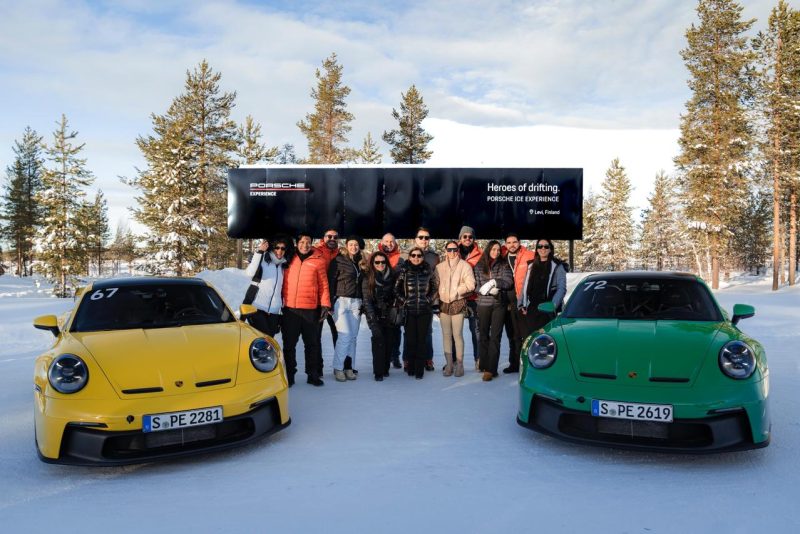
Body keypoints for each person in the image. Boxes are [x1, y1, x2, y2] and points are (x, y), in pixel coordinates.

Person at [282, 232, 331, 387]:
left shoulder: (318, 260)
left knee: (311, 344)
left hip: (310, 309)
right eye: (302, 242)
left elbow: (323, 284)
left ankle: (313, 374)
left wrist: (325, 305)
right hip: (290, 310)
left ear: (312, 243)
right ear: (297, 243)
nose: (305, 245)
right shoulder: (288, 258)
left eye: (308, 242)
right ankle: (290, 374)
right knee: (289, 345)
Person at [395, 246, 439, 379]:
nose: (416, 258)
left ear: (422, 257)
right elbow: (396, 289)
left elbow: (435, 288)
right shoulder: (404, 270)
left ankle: (420, 369)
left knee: (422, 340)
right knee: (411, 340)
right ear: (409, 257)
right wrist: (405, 301)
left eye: (419, 256)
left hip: (425, 311)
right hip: (409, 311)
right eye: (413, 255)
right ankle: (411, 367)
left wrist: (428, 299)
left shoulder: (428, 270)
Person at [473, 240, 514, 381]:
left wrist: (495, 283)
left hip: (498, 304)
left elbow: (508, 282)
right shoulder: (479, 266)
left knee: (495, 336)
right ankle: (484, 364)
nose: (496, 252)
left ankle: (491, 369)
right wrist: (484, 291)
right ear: (488, 250)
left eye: (498, 249)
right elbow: (475, 286)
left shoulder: (504, 265)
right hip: (483, 304)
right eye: (493, 249)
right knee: (483, 334)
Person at [435, 240, 476, 377]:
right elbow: (435, 285)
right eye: (449, 249)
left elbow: (471, 284)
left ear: (458, 250)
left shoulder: (465, 266)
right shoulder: (439, 267)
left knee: (457, 335)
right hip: (443, 304)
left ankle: (460, 364)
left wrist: (457, 291)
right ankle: (449, 364)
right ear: (445, 251)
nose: (452, 252)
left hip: (457, 303)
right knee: (446, 335)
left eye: (455, 249)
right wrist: (437, 299)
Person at [328, 236, 366, 382]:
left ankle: (349, 367)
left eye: (356, 244)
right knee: (345, 335)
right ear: (346, 245)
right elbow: (331, 281)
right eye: (351, 244)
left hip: (356, 302)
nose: (354, 247)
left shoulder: (361, 262)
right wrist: (330, 302)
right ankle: (338, 368)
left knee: (353, 337)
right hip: (341, 301)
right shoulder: (338, 260)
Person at [518, 239, 568, 339]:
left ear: (550, 249)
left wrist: (553, 305)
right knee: (531, 339)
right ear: (537, 249)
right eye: (540, 246)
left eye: (546, 246)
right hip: (532, 309)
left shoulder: (557, 266)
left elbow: (561, 288)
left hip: (547, 308)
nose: (543, 249)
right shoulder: (531, 265)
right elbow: (525, 285)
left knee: (546, 339)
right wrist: (521, 303)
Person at [243, 237, 291, 338]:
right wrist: (260, 252)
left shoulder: (283, 265)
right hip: (257, 308)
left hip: (274, 311)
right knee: (264, 338)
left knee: (269, 341)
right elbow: (249, 273)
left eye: (283, 248)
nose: (279, 251)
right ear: (272, 248)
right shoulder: (263, 260)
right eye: (277, 247)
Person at [501, 233, 535, 373]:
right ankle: (514, 364)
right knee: (512, 335)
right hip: (507, 302)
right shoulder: (502, 257)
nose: (512, 245)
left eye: (514, 242)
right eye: (509, 242)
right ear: (505, 244)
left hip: (523, 301)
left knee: (525, 334)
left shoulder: (529, 255)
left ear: (519, 242)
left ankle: (527, 364)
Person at [362, 251, 398, 381]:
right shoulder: (368, 277)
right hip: (375, 314)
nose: (380, 264)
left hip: (389, 314)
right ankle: (378, 371)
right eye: (377, 262)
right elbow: (366, 300)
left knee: (389, 342)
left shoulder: (393, 275)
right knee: (378, 342)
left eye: (383, 262)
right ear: (372, 263)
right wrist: (371, 318)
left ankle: (385, 368)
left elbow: (396, 293)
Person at [457, 226, 482, 370]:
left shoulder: (480, 255)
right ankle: (454, 360)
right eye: (464, 236)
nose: (467, 239)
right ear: (460, 238)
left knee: (476, 330)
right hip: (457, 297)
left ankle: (478, 359)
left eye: (470, 237)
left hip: (474, 298)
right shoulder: (452, 252)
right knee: (455, 331)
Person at [379, 232, 403, 369]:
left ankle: (395, 356)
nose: (389, 244)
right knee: (381, 329)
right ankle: (383, 356)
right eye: (387, 241)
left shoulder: (401, 258)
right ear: (382, 243)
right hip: (381, 299)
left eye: (391, 241)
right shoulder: (376, 256)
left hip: (396, 300)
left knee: (396, 330)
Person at [315, 228, 341, 348]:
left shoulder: (341, 254)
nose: (332, 239)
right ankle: (317, 366)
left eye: (335, 237)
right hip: (317, 300)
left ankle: (341, 366)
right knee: (315, 336)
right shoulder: (315, 252)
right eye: (329, 236)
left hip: (334, 298)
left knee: (339, 334)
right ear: (323, 238)